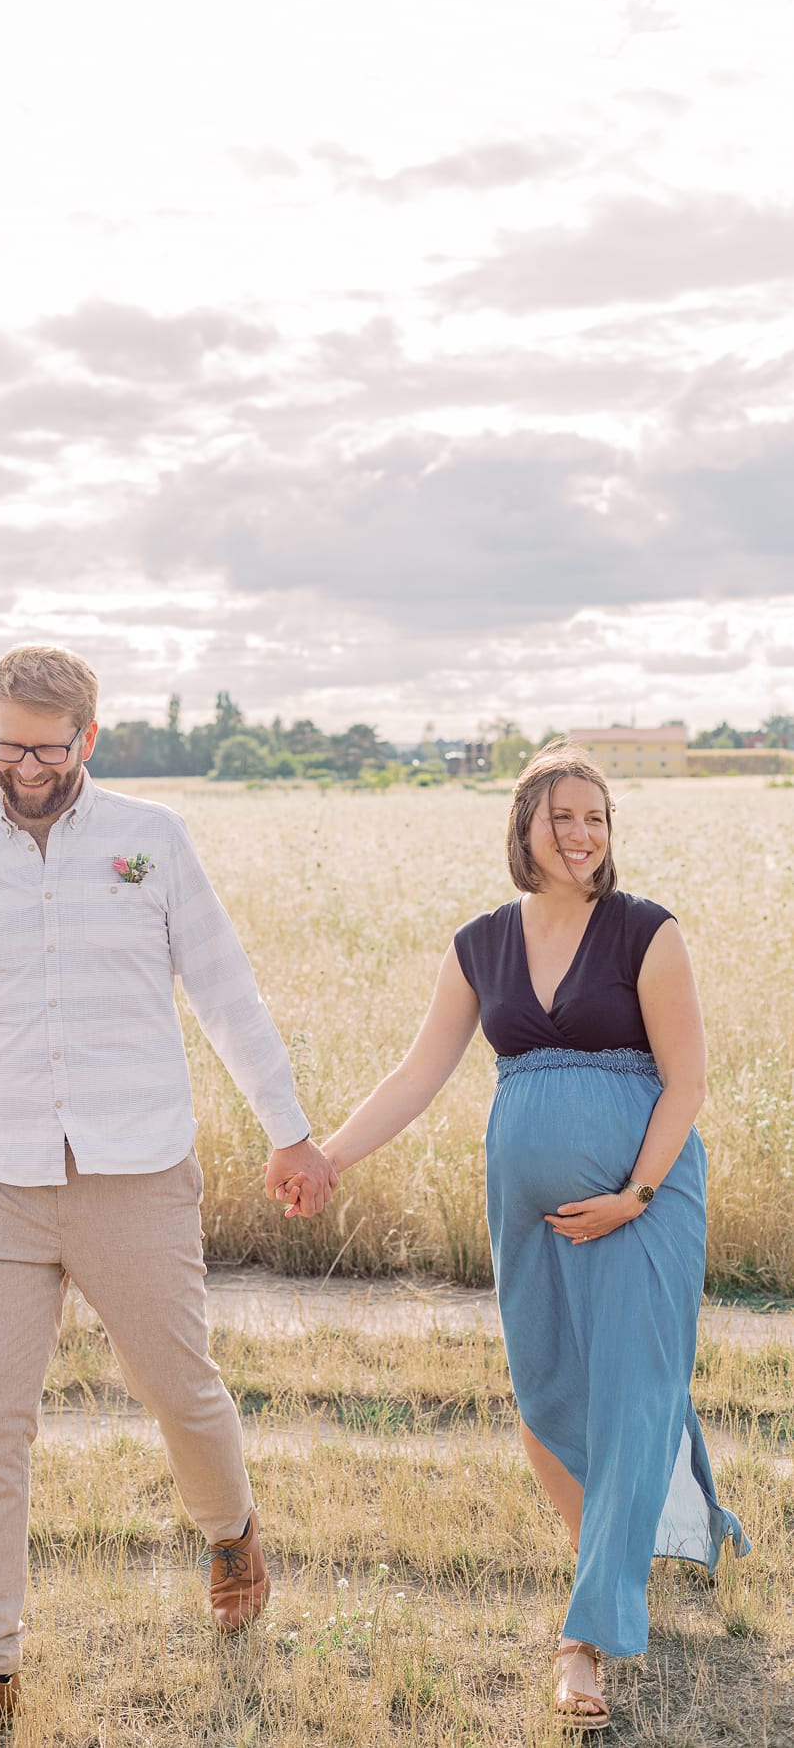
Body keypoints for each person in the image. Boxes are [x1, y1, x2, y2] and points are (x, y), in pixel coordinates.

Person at [0, 645, 336, 1748]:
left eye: (45, 745)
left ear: (90, 738)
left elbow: (227, 991)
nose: (24, 764)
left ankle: (230, 1528)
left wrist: (290, 1129)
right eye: (6, 743)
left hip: (137, 1173)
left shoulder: (154, 841)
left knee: (181, 1389)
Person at [267, 742, 748, 1732]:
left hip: (644, 1205)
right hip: (526, 1209)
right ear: (524, 825)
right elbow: (415, 1075)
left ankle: (587, 1634)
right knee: (545, 1398)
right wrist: (327, 1157)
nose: (582, 834)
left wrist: (635, 1194)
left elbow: (687, 1082)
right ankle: (610, 1568)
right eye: (562, 815)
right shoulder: (481, 945)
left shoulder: (646, 934)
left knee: (633, 1393)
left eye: (597, 818)